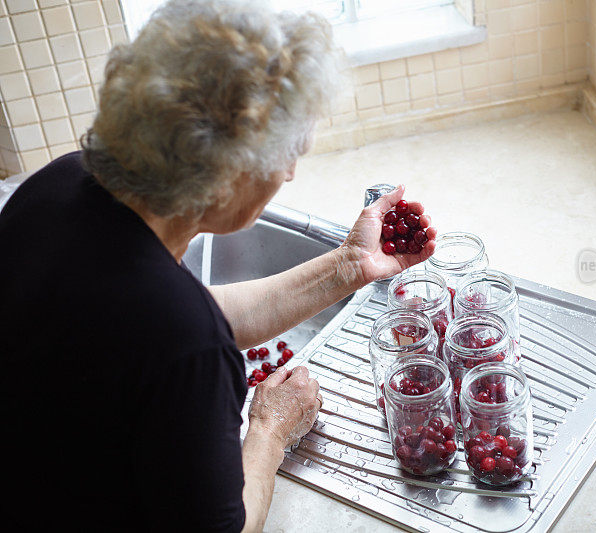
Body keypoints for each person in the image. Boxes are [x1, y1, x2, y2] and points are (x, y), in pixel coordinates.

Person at [0, 1, 436, 531]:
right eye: (287, 153)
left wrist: (349, 265)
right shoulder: (183, 342)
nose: (293, 173)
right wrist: (270, 431)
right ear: (226, 177)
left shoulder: (58, 185)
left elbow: (174, 318)